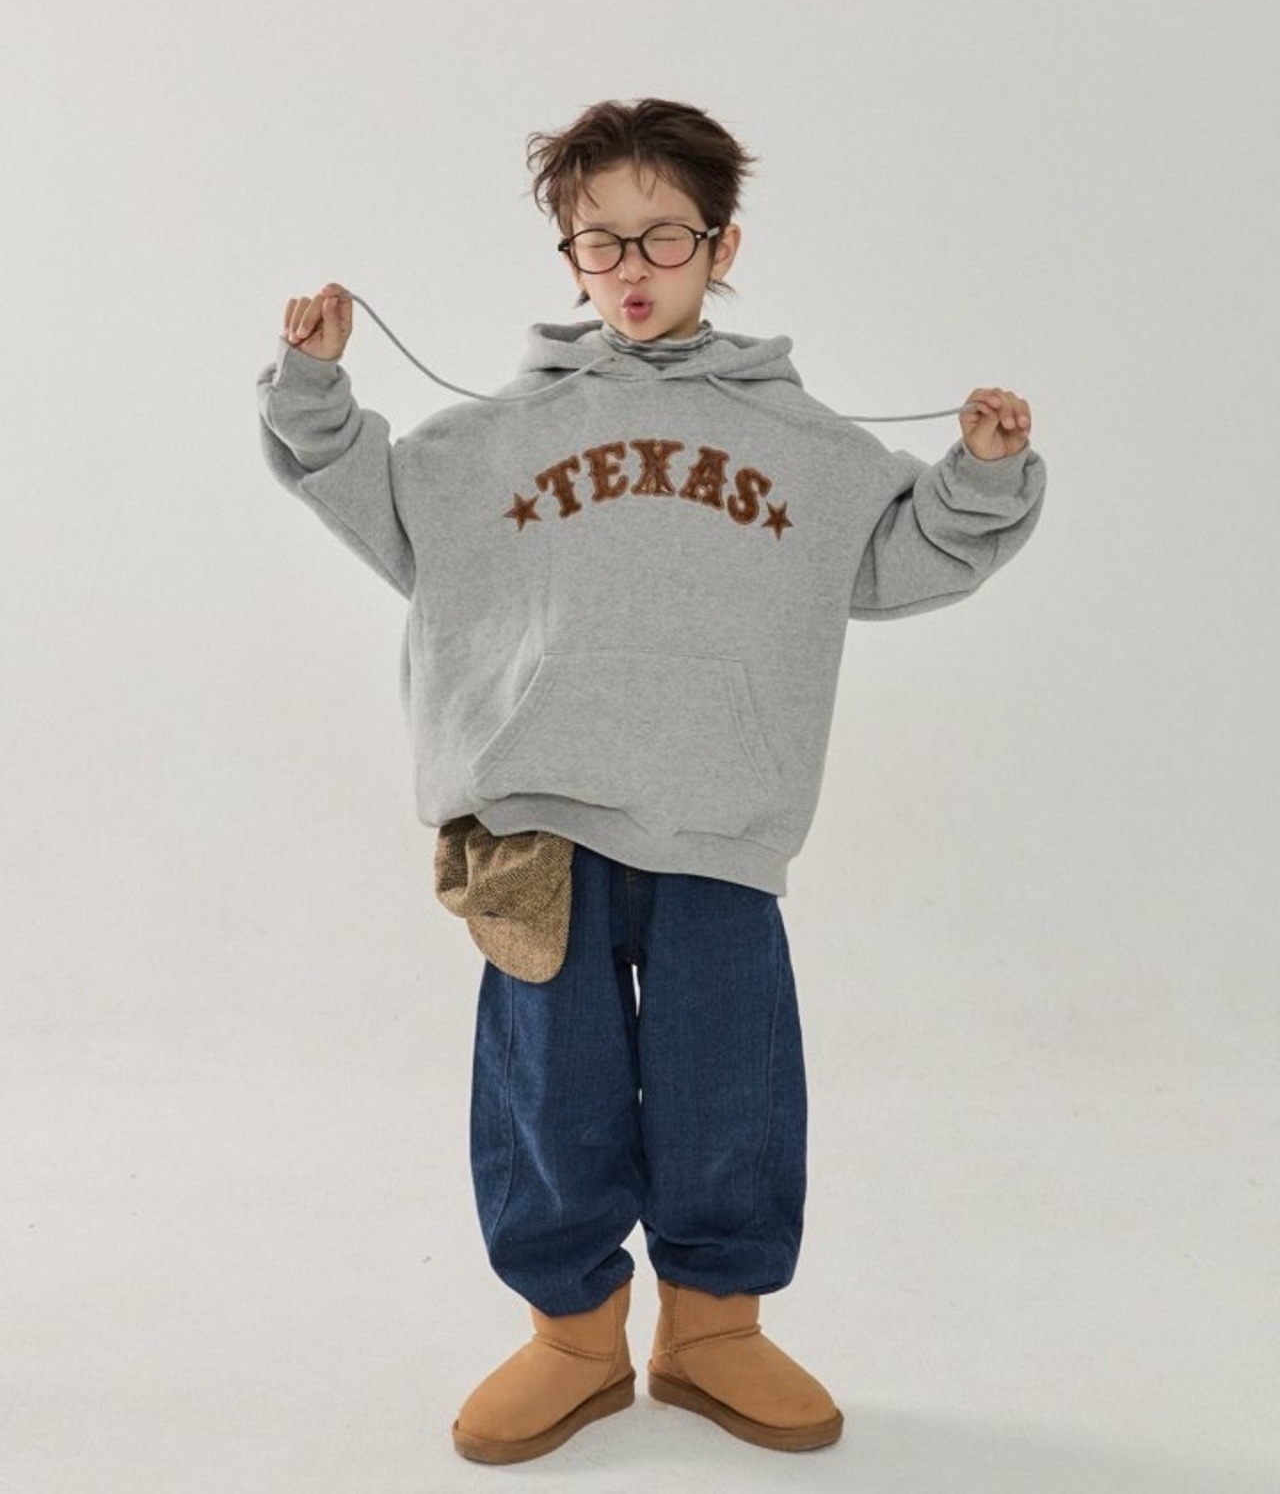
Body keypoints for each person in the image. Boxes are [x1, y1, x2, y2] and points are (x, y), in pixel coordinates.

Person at [256, 97, 1047, 1466]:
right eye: (601, 240)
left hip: (719, 821)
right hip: (537, 823)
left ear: (721, 246)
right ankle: (572, 1338)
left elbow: (900, 553)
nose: (631, 266)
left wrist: (982, 475)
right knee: (548, 1091)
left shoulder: (801, 442)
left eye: (663, 236)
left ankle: (713, 1330)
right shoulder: (496, 436)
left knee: (727, 1082)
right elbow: (368, 493)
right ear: (568, 257)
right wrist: (314, 381)